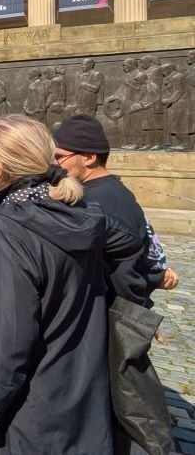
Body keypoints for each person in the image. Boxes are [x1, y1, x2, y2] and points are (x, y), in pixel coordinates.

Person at [0, 115, 112, 454]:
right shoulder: (75, 212)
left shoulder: (13, 231)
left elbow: (5, 339)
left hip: (30, 414)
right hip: (81, 401)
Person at [53, 114, 177, 453]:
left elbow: (127, 267)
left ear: (88, 157)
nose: (55, 164)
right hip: (120, 311)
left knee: (125, 404)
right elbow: (147, 254)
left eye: (60, 157)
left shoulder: (98, 200)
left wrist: (131, 312)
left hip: (113, 315)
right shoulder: (111, 190)